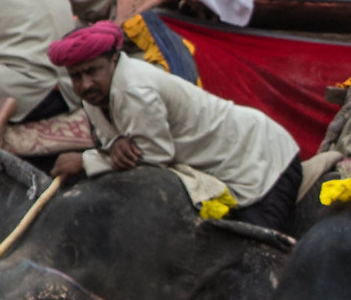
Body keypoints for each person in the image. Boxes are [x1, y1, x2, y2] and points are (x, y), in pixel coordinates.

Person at [46, 22, 302, 233]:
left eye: (92, 71)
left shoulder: (133, 88)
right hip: (220, 168)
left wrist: (86, 162)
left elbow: (154, 156)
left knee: (254, 253)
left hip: (259, 160)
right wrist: (114, 147)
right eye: (76, 76)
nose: (86, 83)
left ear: (114, 60)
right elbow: (115, 146)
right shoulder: (94, 95)